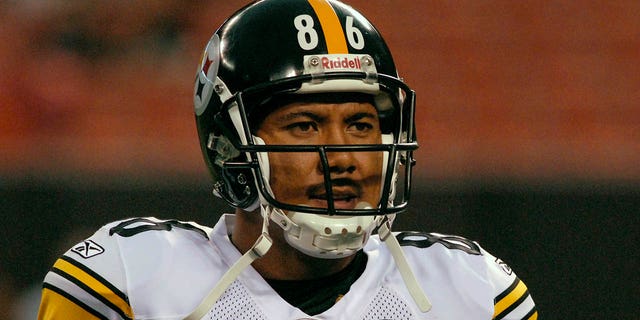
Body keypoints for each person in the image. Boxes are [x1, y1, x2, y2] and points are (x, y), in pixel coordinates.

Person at [38, 0, 537, 319]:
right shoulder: (129, 283)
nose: (343, 156)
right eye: (305, 125)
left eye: (361, 125)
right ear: (229, 147)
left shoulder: (470, 293)